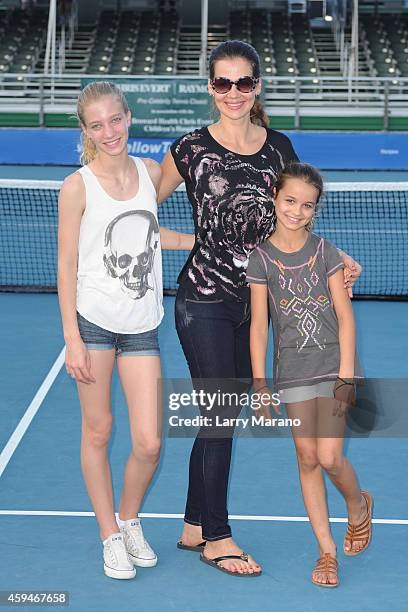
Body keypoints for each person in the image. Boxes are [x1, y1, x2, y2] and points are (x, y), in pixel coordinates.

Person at [158, 40, 362, 577]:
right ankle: (218, 539)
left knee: (217, 415)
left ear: (257, 87)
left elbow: (296, 215)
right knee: (221, 412)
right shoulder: (188, 149)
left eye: (243, 82)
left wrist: (335, 260)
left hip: (258, 303)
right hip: (202, 299)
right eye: (222, 83)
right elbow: (136, 208)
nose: (233, 93)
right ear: (210, 86)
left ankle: (193, 522)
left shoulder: (279, 148)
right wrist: (185, 240)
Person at [57, 81, 190, 580]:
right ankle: (108, 534)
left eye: (115, 120)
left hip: (141, 328)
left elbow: (151, 233)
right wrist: (72, 338)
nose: (108, 131)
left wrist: (203, 243)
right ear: (86, 130)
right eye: (97, 125)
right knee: (99, 431)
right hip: (92, 326)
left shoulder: (149, 173)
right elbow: (66, 264)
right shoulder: (77, 187)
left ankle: (129, 518)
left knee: (150, 441)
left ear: (128, 118)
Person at [248, 162, 373, 588]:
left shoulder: (326, 253)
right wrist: (260, 384)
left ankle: (357, 506)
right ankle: (326, 552)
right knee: (306, 458)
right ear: (275, 197)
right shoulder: (260, 258)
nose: (297, 211)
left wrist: (346, 376)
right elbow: (258, 326)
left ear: (315, 210)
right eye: (290, 201)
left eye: (307, 206)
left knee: (330, 457)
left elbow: (345, 316)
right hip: (292, 373)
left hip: (334, 366)